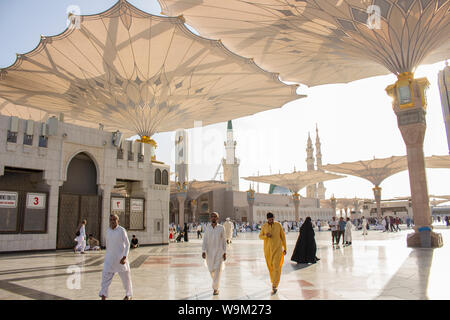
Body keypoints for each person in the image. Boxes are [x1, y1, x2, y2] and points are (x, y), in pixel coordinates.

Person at [99, 214, 133, 300]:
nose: (112, 221)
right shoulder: (108, 231)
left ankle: (128, 295)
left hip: (120, 260)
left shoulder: (121, 230)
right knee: (105, 279)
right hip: (109, 260)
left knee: (126, 279)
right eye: (111, 219)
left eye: (114, 219)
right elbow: (108, 246)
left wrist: (124, 257)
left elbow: (127, 244)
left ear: (118, 221)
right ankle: (103, 295)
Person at [259, 212, 287, 295]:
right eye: (270, 219)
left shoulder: (278, 225)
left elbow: (283, 236)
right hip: (268, 250)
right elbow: (260, 236)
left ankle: (275, 285)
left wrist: (285, 248)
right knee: (270, 266)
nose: (271, 220)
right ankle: (273, 280)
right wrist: (266, 236)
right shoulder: (264, 226)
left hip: (278, 249)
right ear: (267, 219)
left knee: (276, 266)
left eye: (272, 219)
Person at [202, 212, 226, 296]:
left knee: (217, 270)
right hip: (210, 253)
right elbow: (204, 240)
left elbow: (224, 241)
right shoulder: (207, 228)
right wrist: (203, 251)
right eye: (212, 217)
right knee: (211, 269)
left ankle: (215, 289)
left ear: (217, 218)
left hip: (219, 252)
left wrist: (225, 252)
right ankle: (215, 283)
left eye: (215, 217)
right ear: (210, 218)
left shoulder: (221, 228)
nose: (213, 218)